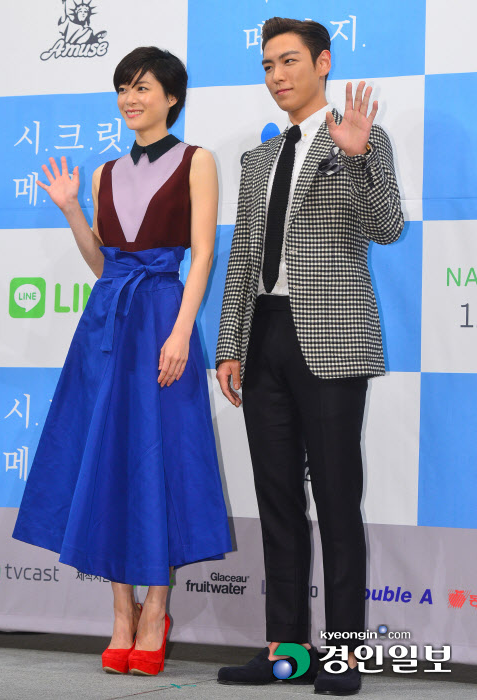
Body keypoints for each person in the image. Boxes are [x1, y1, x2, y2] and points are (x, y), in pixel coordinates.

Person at [12, 45, 232, 677]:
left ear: (171, 97)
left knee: (159, 458)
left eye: (142, 87)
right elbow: (104, 265)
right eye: (123, 88)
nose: (130, 98)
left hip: (163, 319)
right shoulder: (105, 173)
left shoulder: (197, 161)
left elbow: (202, 254)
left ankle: (156, 611)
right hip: (107, 324)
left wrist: (183, 331)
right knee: (108, 458)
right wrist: (73, 211)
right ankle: (120, 613)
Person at [215, 17, 404, 696]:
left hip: (332, 338)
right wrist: (230, 346)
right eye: (267, 65)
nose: (277, 76)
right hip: (263, 335)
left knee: (335, 498)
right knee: (276, 500)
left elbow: (387, 227)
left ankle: (345, 653)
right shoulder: (258, 160)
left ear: (323, 63)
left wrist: (356, 157)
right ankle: (286, 649)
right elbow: (243, 259)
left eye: (289, 61)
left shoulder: (361, 138)